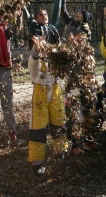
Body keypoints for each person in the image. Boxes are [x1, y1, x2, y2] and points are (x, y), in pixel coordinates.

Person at [28, 36, 68, 178]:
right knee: (38, 127)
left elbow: (66, 68)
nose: (44, 49)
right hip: (40, 95)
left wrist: (72, 45)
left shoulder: (55, 61)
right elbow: (33, 65)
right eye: (41, 47)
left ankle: (60, 152)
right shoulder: (36, 62)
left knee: (59, 122)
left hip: (56, 92)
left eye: (46, 47)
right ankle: (37, 162)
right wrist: (36, 50)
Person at [0, 5, 25, 149]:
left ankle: (12, 133)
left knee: (8, 103)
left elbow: (18, 26)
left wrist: (19, 8)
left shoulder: (5, 30)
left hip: (5, 70)